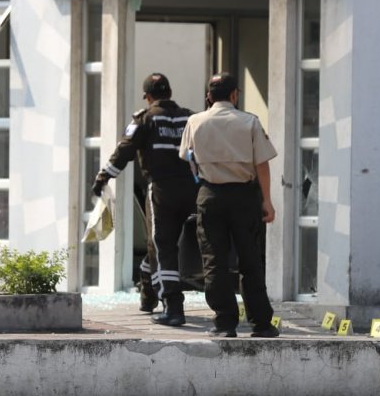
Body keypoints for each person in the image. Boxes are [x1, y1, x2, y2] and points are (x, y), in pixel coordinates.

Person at [178, 72, 279, 338]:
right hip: (244, 197)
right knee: (250, 261)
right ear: (235, 94)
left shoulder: (194, 121)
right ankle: (260, 324)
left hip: (210, 195)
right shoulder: (249, 122)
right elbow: (262, 165)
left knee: (214, 261)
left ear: (209, 96)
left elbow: (187, 158)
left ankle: (224, 322)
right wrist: (266, 200)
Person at [93, 73, 198, 326]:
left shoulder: (145, 119)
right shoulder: (190, 117)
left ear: (148, 97)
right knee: (165, 247)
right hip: (193, 191)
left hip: (162, 191)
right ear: (170, 93)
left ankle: (172, 307)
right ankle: (147, 290)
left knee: (162, 245)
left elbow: (124, 150)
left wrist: (103, 177)